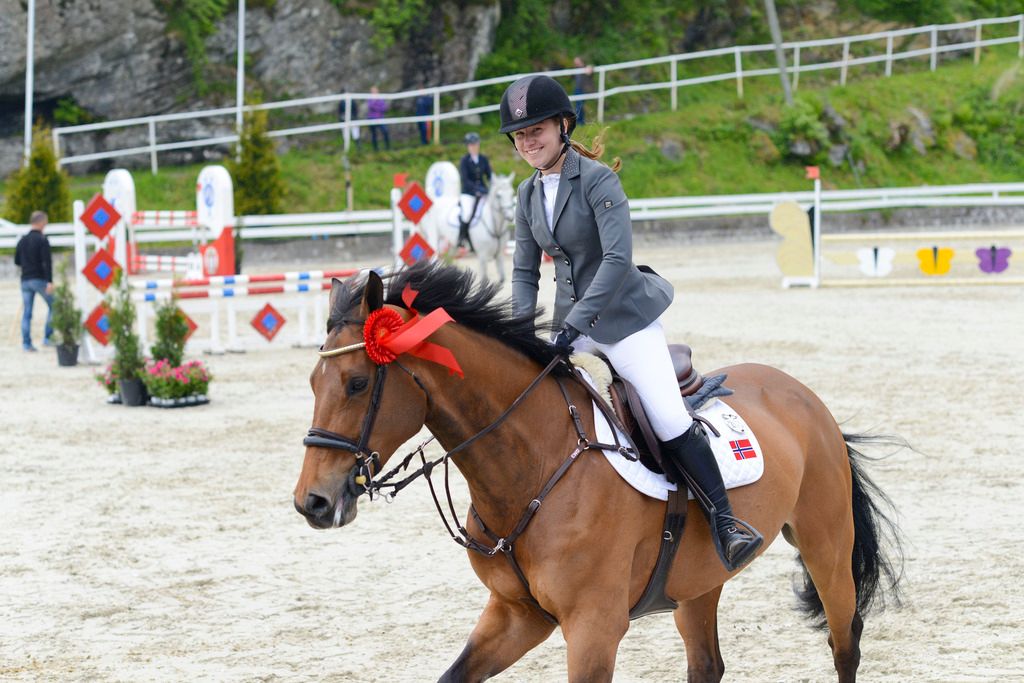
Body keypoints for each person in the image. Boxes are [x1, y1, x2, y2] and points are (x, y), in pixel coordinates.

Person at [499, 74, 763, 572]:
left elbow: (617, 260)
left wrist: (572, 327)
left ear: (562, 125)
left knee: (666, 417)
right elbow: (523, 270)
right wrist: (518, 333)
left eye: (536, 129)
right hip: (568, 325)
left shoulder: (598, 180)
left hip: (623, 321)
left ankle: (727, 524)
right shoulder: (526, 194)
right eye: (519, 135)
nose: (528, 141)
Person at [14, 211, 54, 352]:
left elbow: (17, 261)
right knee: (54, 305)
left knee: (27, 313)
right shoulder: (42, 240)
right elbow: (47, 263)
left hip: (25, 280)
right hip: (39, 279)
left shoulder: (22, 240)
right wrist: (49, 281)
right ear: (41, 222)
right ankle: (48, 337)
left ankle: (26, 343)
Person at [457, 132, 492, 253]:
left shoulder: (483, 159)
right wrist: (477, 190)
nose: (473, 147)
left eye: (475, 144)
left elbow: (489, 176)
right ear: (468, 146)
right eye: (471, 145)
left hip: (483, 192)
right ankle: (462, 239)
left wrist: (492, 187)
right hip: (468, 193)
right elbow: (465, 180)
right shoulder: (464, 160)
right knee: (467, 214)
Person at [366, 86, 390, 151]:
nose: (374, 92)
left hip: (380, 118)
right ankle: (376, 149)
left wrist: (376, 108)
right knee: (374, 134)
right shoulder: (369, 99)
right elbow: (371, 106)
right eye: (372, 91)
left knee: (385, 131)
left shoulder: (381, 99)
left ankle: (388, 147)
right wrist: (378, 108)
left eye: (375, 91)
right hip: (372, 118)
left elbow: (384, 108)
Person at [572, 56, 594, 126]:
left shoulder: (585, 68)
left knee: (580, 105)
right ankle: (580, 121)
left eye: (577, 61)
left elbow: (591, 69)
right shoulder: (575, 69)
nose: (575, 62)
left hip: (583, 89)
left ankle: (580, 122)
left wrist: (590, 68)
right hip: (577, 89)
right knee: (578, 105)